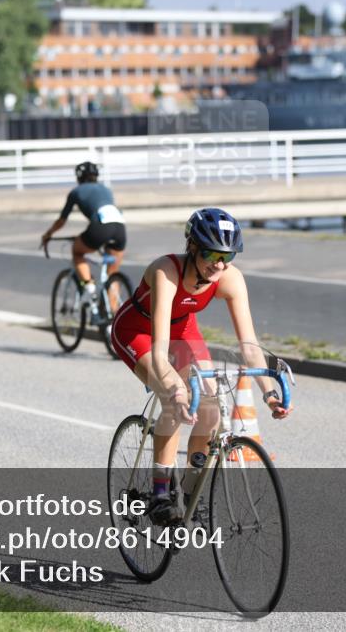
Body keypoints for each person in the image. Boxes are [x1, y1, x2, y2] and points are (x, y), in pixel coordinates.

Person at [110, 207, 292, 523]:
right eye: (210, 253)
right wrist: (176, 391)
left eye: (227, 256)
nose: (218, 264)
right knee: (175, 398)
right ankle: (161, 492)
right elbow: (160, 348)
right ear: (192, 246)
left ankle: (191, 494)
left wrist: (269, 393)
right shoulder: (166, 270)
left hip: (184, 327)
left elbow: (249, 345)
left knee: (209, 406)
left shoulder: (230, 278)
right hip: (138, 330)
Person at [40, 161, 126, 305]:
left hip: (100, 228)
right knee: (112, 276)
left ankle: (89, 288)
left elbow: (62, 220)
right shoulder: (106, 189)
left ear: (79, 177)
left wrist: (48, 234)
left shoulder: (76, 192)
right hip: (120, 228)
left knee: (77, 251)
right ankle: (112, 318)